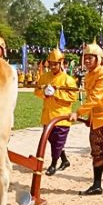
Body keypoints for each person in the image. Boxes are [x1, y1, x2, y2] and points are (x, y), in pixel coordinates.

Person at [68, 41, 103, 195]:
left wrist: (78, 113)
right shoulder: (88, 75)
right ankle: (97, 185)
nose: (87, 61)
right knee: (97, 153)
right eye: (85, 58)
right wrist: (89, 117)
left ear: (98, 59)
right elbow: (91, 101)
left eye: (90, 58)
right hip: (96, 119)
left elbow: (95, 98)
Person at [35, 48, 78, 176]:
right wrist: (44, 93)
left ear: (61, 63)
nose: (53, 66)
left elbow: (73, 97)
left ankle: (53, 164)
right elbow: (36, 91)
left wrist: (56, 93)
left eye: (55, 63)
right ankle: (64, 160)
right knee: (52, 140)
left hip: (61, 117)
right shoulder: (44, 77)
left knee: (58, 142)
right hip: (47, 115)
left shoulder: (68, 80)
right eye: (51, 63)